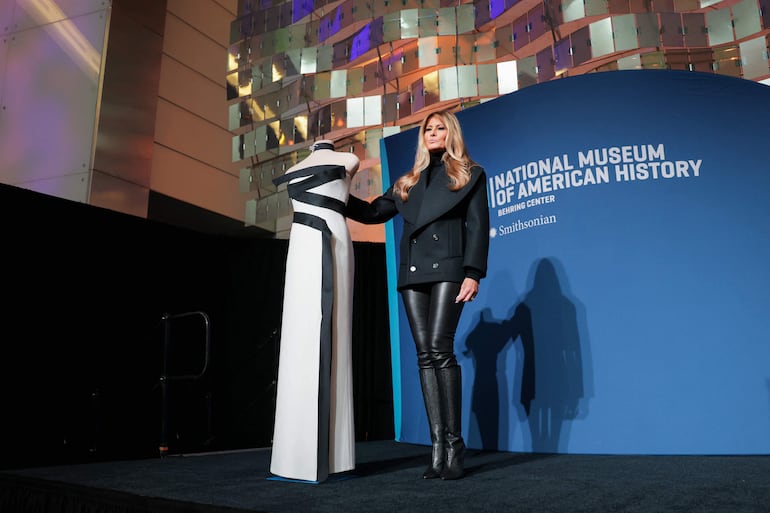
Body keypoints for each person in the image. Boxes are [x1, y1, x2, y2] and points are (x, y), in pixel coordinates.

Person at [346, 110, 490, 480]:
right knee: (425, 356)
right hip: (414, 272)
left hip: (449, 267)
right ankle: (437, 446)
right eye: (428, 129)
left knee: (440, 350)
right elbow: (372, 212)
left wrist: (473, 273)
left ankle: (454, 445)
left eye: (441, 128)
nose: (434, 133)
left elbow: (478, 226)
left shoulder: (468, 174)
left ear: (451, 133)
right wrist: (336, 194)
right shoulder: (407, 182)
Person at [269, 140, 360, 483]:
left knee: (334, 336)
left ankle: (332, 456)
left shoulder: (349, 159)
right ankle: (295, 455)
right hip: (304, 242)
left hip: (330, 241)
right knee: (298, 340)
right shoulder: (307, 166)